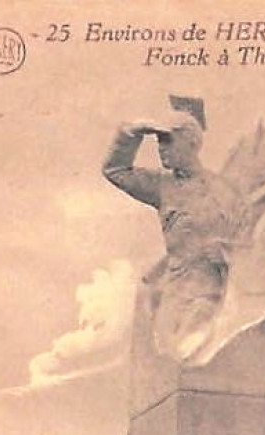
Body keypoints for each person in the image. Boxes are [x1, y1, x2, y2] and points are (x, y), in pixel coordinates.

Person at [102, 101, 240, 355]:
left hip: (216, 296)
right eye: (158, 143)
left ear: (192, 143)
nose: (161, 149)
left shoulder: (225, 191)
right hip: (176, 296)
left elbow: (248, 241)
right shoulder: (161, 185)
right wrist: (130, 134)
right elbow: (115, 170)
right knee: (168, 357)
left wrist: (225, 253)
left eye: (168, 141)